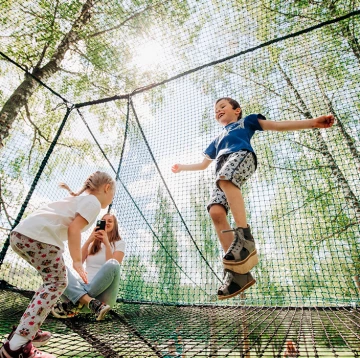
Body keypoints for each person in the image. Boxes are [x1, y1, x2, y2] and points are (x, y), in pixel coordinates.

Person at [172, 97, 334, 300]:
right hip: (222, 167)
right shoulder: (216, 139)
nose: (218, 111)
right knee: (215, 211)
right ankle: (238, 274)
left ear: (237, 110)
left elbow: (275, 125)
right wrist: (182, 167)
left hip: (241, 157)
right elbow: (203, 164)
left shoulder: (246, 122)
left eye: (222, 107)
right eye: (215, 110)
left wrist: (312, 123)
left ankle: (245, 237)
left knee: (226, 178)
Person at [0, 171, 116, 358]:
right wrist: (77, 261)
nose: (111, 199)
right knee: (57, 283)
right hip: (40, 238)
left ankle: (26, 328)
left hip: (22, 236)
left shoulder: (79, 199)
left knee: (52, 282)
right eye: (113, 195)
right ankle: (15, 347)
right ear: (107, 188)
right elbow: (74, 229)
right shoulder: (93, 202)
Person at [51, 213, 125, 321]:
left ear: (115, 225)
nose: (106, 223)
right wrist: (89, 240)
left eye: (110, 221)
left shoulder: (119, 243)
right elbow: (77, 263)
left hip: (103, 296)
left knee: (113, 263)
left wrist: (106, 242)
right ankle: (90, 302)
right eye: (104, 221)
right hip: (95, 303)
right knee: (59, 267)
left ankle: (78, 301)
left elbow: (113, 265)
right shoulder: (92, 245)